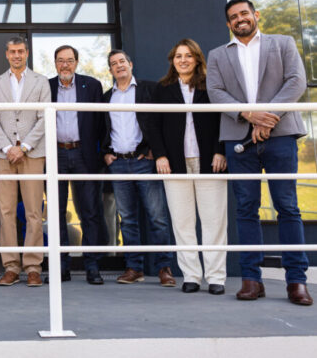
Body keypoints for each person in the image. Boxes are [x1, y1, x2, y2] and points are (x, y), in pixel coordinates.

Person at [207, 0, 312, 306]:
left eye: (244, 13)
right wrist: (249, 115)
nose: (239, 19)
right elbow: (215, 92)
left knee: (288, 207)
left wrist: (267, 116)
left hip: (281, 135)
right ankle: (251, 279)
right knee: (245, 209)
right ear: (228, 23)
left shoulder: (282, 43)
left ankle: (297, 281)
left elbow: (296, 82)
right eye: (233, 16)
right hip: (238, 137)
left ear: (256, 15)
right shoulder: (217, 55)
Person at [150, 39, 227, 295]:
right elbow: (153, 125)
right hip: (175, 163)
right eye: (178, 56)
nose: (183, 60)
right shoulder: (163, 89)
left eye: (188, 55)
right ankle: (191, 276)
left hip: (210, 161)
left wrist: (220, 150)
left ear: (197, 59)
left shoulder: (212, 86)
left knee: (214, 221)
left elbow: (224, 118)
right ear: (172, 61)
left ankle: (216, 277)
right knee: (182, 222)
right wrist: (160, 156)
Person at [102, 49, 175, 287]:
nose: (119, 65)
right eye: (114, 63)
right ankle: (134, 268)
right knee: (127, 219)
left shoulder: (149, 89)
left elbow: (163, 121)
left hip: (144, 162)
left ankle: (164, 268)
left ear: (130, 64)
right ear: (110, 70)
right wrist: (105, 153)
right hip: (118, 164)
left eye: (122, 61)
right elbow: (101, 129)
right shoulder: (106, 97)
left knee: (157, 217)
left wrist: (157, 150)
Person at [0, 36, 50, 287]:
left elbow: (44, 117)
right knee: (6, 211)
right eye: (12, 51)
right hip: (3, 154)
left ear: (27, 53)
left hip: (32, 153)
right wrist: (7, 147)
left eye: (20, 51)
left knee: (34, 211)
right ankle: (11, 266)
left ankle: (33, 266)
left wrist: (23, 147)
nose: (16, 55)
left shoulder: (41, 82)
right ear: (6, 54)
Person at [48, 45, 107, 285]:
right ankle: (61, 267)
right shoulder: (46, 87)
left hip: (84, 155)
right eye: (61, 60)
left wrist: (100, 152)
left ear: (77, 62)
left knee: (90, 212)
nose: (65, 65)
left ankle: (92, 266)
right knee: (57, 212)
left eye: (70, 60)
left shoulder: (91, 85)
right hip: (56, 154)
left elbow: (101, 123)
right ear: (55, 63)